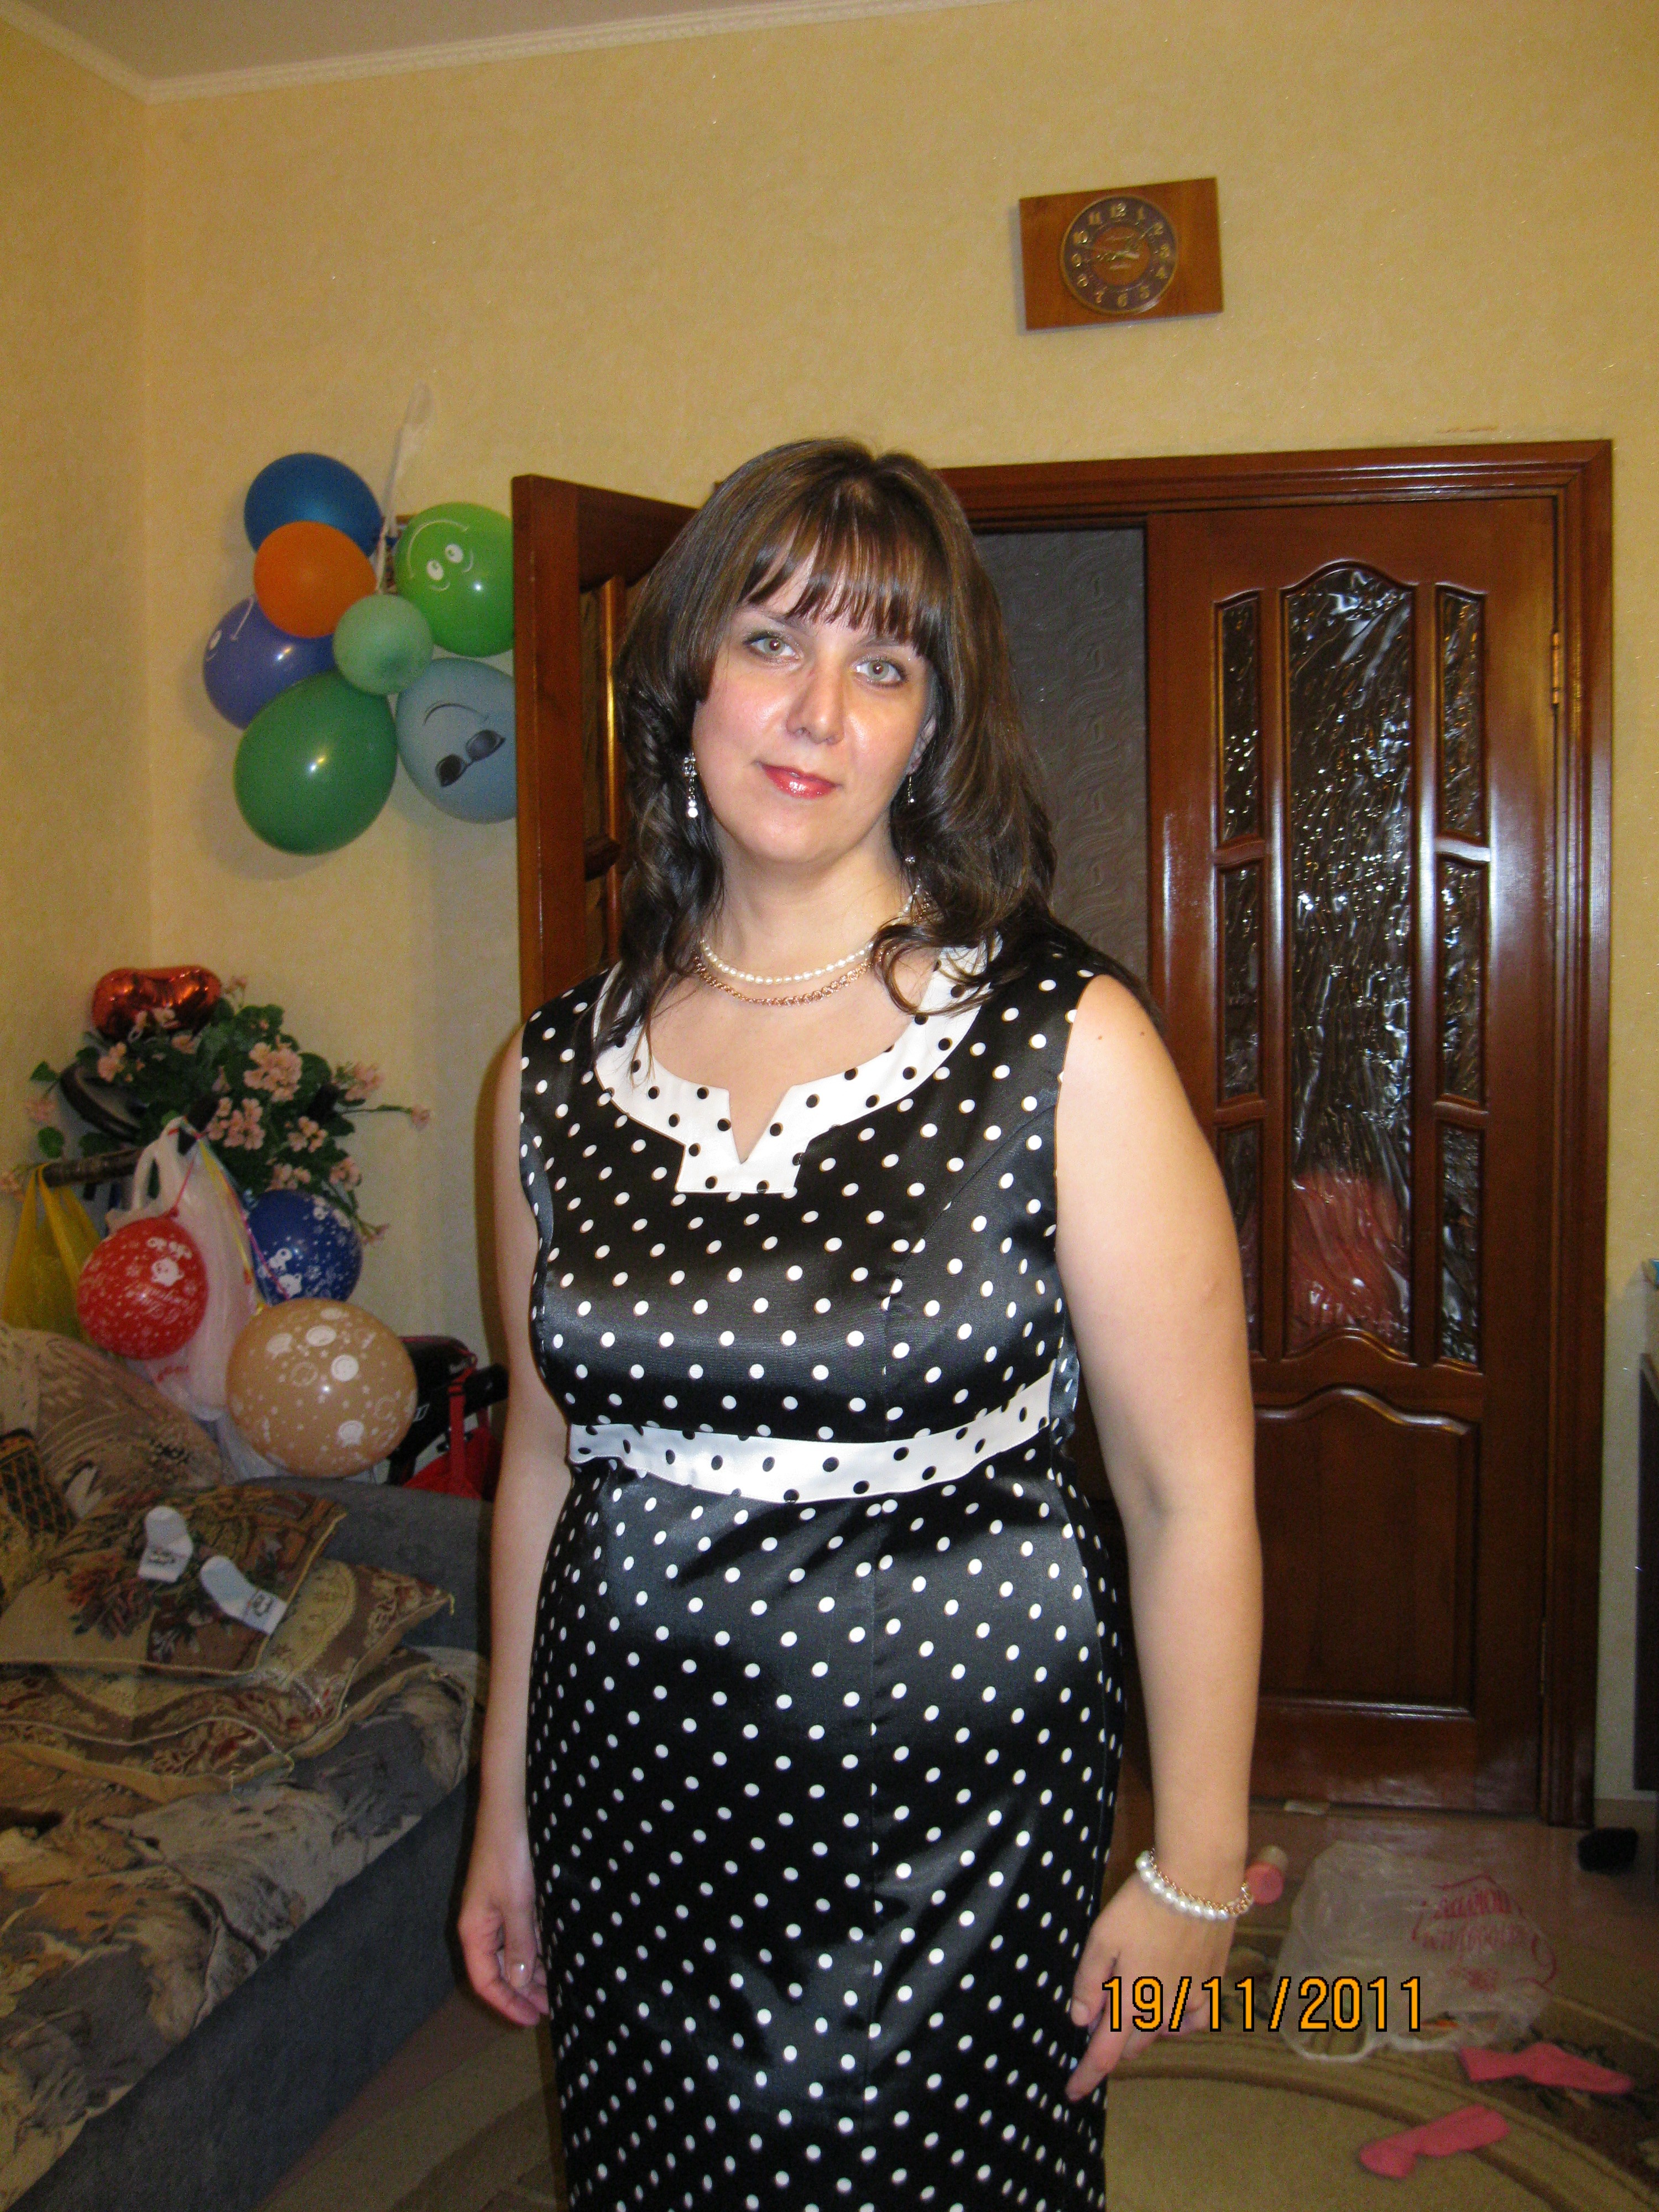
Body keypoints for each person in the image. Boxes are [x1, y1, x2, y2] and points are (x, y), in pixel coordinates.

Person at [459, 439, 1261, 2211]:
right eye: (771, 642)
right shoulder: (548, 1077)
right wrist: (502, 1808)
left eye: (881, 664)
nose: (817, 711)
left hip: (951, 1829)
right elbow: (542, 1467)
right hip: (628, 1804)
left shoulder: (1066, 1046)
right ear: (689, 680)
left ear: (931, 724)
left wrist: (1195, 1868)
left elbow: (1189, 1492)